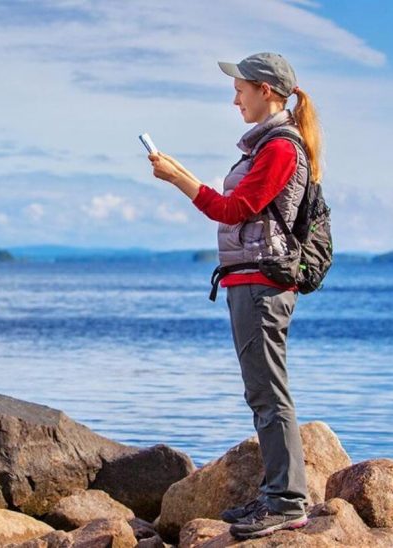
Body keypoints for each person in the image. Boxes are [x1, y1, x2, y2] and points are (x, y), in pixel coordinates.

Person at [148, 52, 322, 540]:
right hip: (246, 280)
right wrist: (184, 175)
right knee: (261, 391)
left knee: (269, 392)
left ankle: (288, 502)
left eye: (240, 89)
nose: (234, 97)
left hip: (263, 285)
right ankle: (275, 494)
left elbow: (235, 208)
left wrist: (181, 180)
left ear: (266, 90)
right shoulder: (264, 145)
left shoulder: (281, 148)